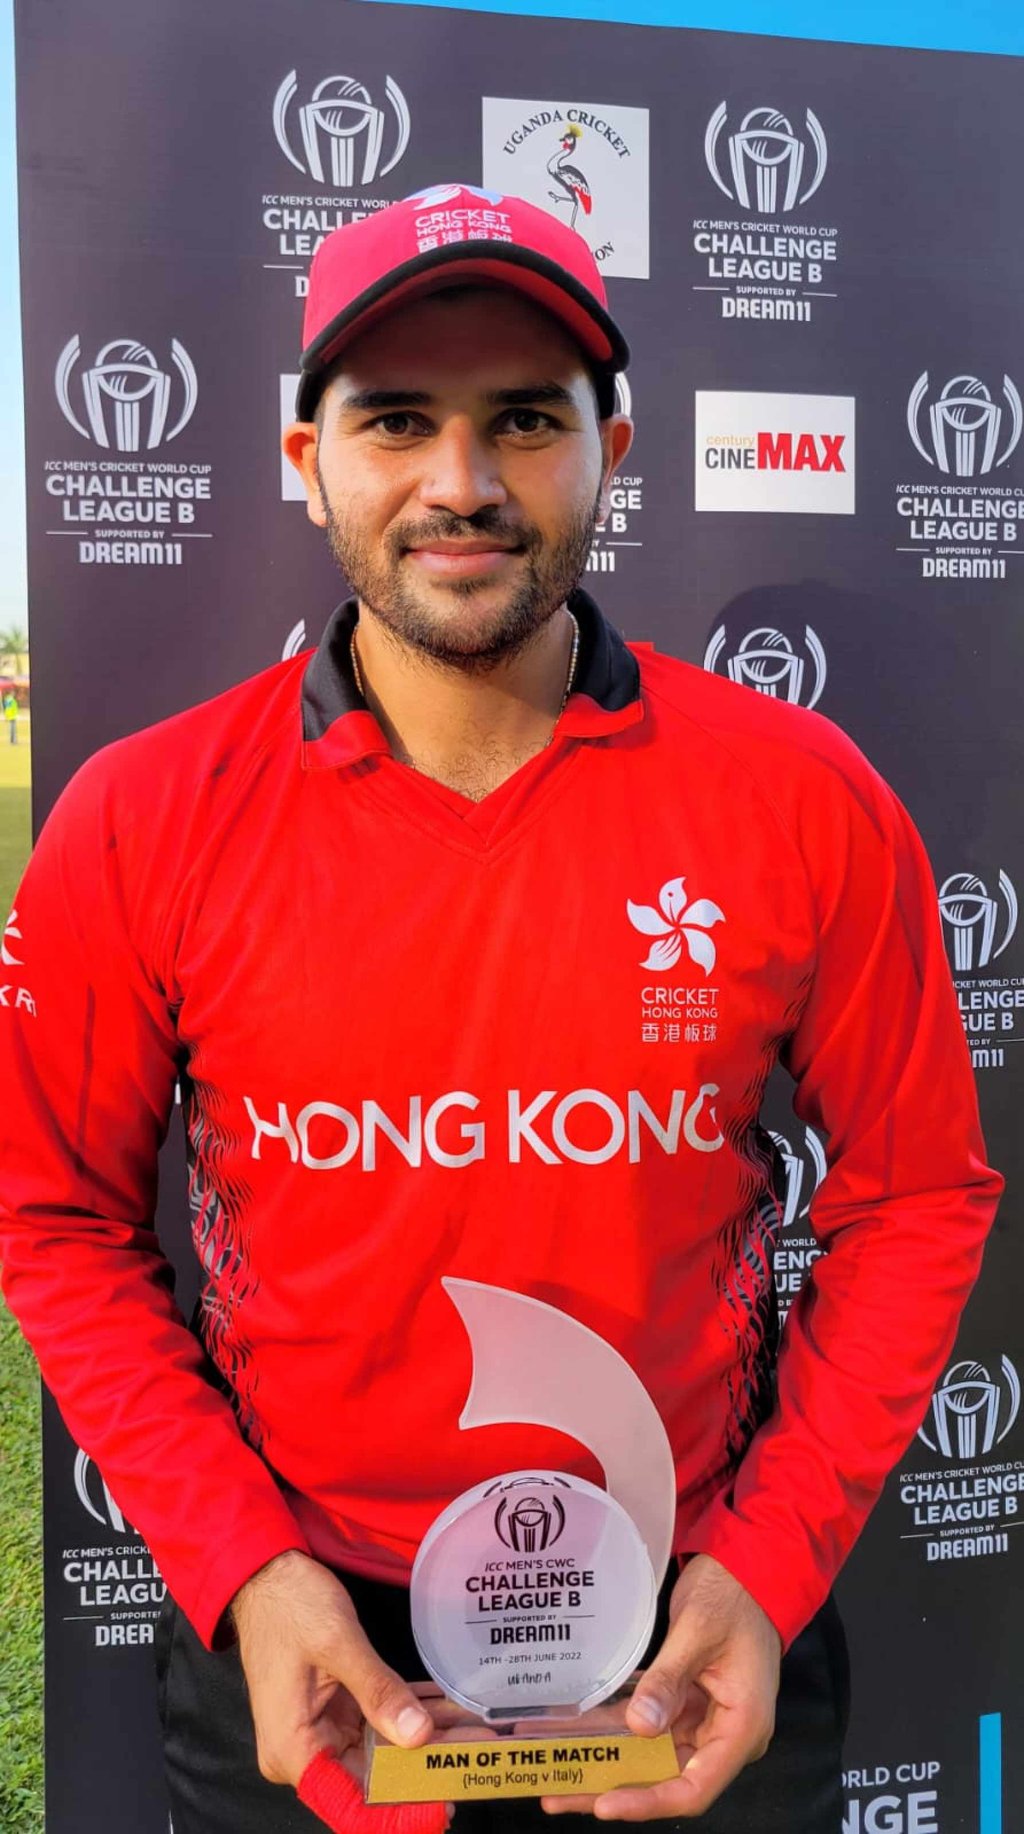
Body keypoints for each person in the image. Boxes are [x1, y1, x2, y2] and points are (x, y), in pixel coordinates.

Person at [0, 185, 1002, 1834]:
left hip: (698, 1617)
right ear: (302, 454)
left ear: (615, 441)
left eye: (523, 420)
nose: (461, 483)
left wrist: (769, 1561)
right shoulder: (141, 814)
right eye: (397, 419)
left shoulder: (803, 798)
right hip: (312, 1630)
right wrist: (244, 1569)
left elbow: (919, 1198)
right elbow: (53, 1211)